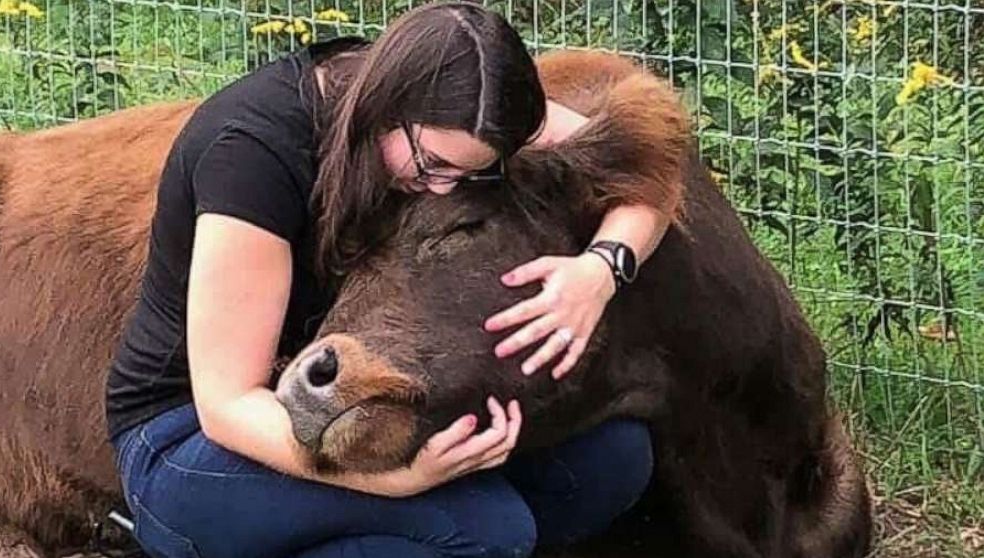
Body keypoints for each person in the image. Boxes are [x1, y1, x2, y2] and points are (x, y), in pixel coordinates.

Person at [106, 2, 673, 557]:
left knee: (610, 463)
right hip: (192, 445)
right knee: (489, 530)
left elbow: (651, 168)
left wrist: (600, 269)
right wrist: (397, 483)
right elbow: (227, 406)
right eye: (432, 165)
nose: (446, 189)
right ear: (386, 105)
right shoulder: (254, 155)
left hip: (356, 404)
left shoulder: (463, 112)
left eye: (475, 173)